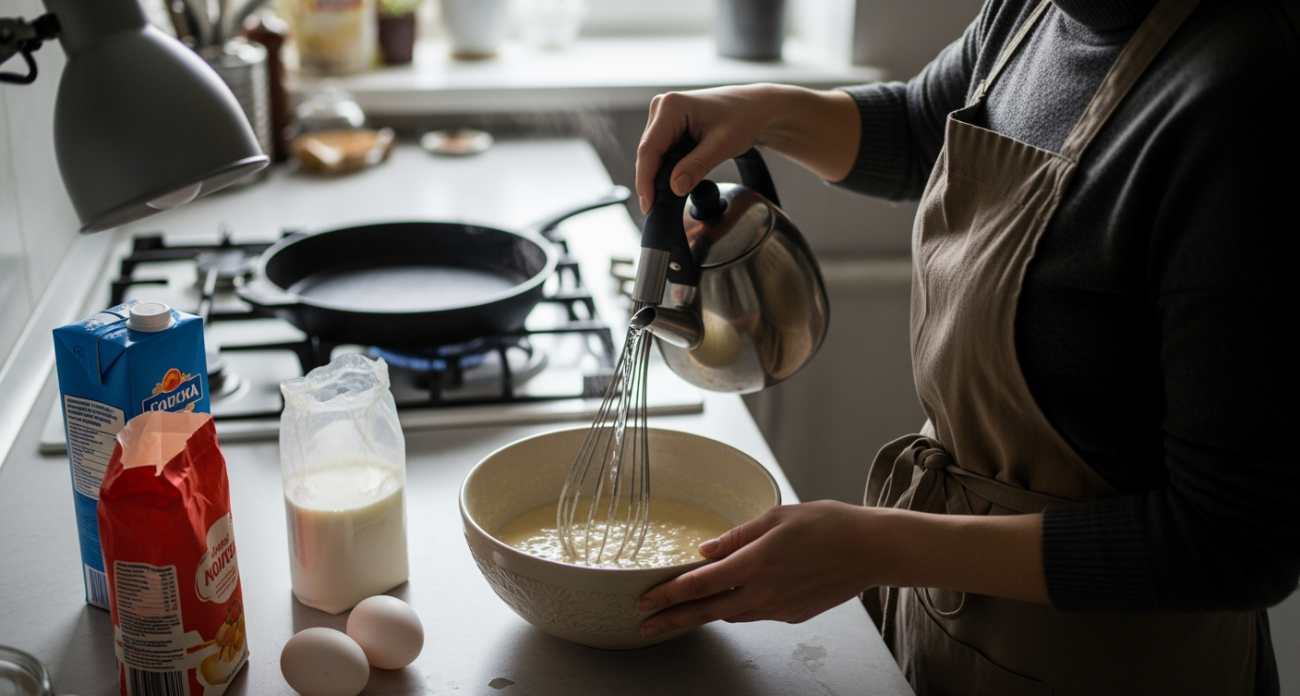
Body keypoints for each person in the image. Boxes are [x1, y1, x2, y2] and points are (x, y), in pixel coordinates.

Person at [631, 0, 1299, 694]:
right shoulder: (1036, 11)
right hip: (954, 625)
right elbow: (926, 131)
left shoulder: (1245, 95)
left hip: (1116, 663)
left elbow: (1237, 543)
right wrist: (758, 111)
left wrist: (880, 547)